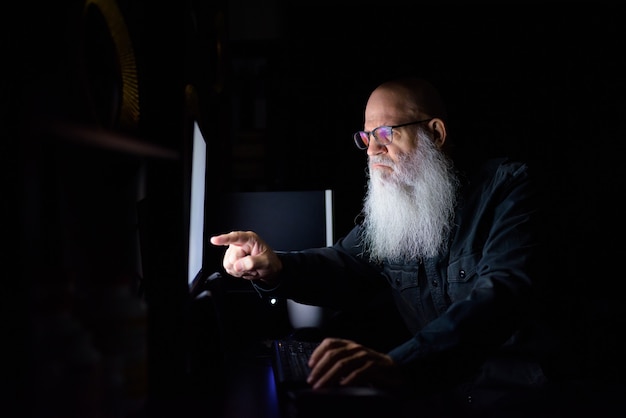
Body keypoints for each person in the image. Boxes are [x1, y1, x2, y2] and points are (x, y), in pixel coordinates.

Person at [210, 77, 550, 414]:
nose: (372, 150)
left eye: (386, 133)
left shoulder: (510, 188)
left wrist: (397, 364)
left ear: (435, 133)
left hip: (522, 400)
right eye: (366, 137)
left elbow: (499, 298)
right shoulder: (401, 209)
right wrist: (275, 267)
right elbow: (341, 263)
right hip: (444, 398)